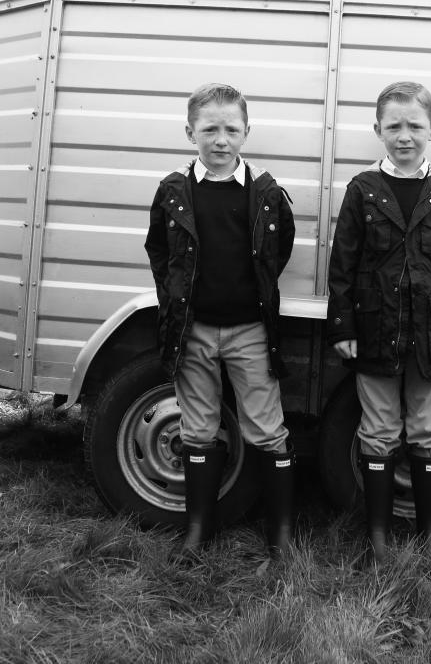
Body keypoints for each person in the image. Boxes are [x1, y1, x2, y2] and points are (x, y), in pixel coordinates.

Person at [327, 81, 431, 561]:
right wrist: (343, 326)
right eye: (393, 126)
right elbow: (343, 265)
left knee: (429, 431)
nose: (404, 135)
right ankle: (377, 538)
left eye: (415, 125)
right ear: (377, 130)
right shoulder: (362, 190)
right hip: (374, 332)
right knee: (378, 431)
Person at [145, 83, 295, 556]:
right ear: (190, 132)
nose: (221, 140)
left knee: (267, 430)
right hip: (194, 332)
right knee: (198, 428)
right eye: (210, 129)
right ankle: (198, 531)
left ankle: (281, 536)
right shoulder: (174, 191)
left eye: (231, 129)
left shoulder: (266, 193)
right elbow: (159, 251)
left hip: (250, 332)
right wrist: (176, 300)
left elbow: (279, 251)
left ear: (247, 132)